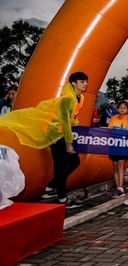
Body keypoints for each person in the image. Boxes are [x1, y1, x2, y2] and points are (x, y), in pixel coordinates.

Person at [0, 72, 88, 208]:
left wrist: (74, 122)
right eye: (82, 82)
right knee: (62, 165)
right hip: (54, 133)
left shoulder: (80, 98)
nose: (85, 84)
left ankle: (49, 188)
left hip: (62, 132)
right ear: (73, 83)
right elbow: (64, 122)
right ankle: (62, 199)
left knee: (74, 162)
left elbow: (70, 117)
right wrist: (69, 143)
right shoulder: (67, 99)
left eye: (86, 81)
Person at [108, 101, 128, 198]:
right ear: (117, 109)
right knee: (114, 166)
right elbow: (109, 130)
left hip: (123, 144)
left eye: (124, 108)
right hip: (114, 144)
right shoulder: (113, 118)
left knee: (120, 166)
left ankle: (121, 188)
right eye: (120, 107)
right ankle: (117, 186)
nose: (122, 109)